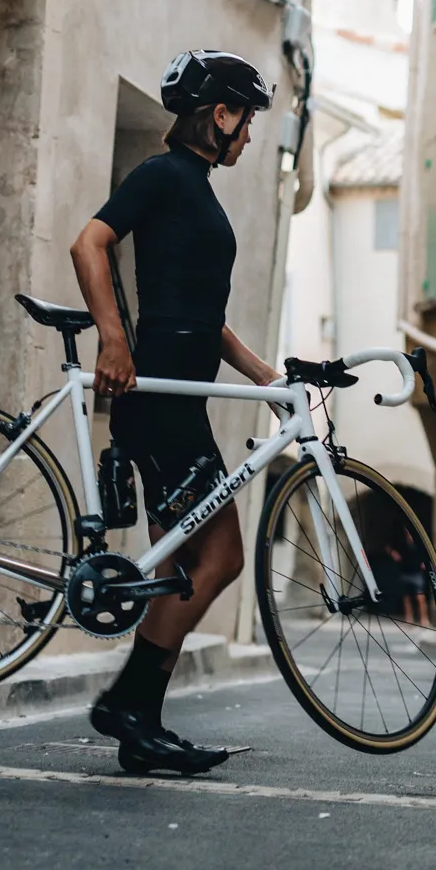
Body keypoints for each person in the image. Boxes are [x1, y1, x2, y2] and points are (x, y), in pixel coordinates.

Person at [69, 49, 278, 777]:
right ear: (219, 115)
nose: (248, 135)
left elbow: (198, 313)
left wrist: (263, 373)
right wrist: (113, 340)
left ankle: (139, 726)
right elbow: (88, 243)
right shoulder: (162, 176)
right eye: (245, 120)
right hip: (158, 403)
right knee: (217, 556)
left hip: (178, 400)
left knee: (179, 571)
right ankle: (129, 703)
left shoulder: (197, 189)